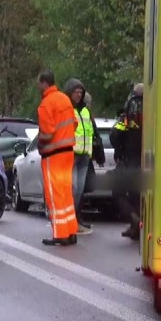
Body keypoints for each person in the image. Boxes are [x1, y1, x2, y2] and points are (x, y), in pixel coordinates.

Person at [35, 69, 79, 246]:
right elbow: (74, 123)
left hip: (53, 155)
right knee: (66, 193)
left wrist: (40, 143)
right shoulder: (64, 99)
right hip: (68, 153)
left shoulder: (46, 104)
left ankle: (60, 234)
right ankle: (71, 231)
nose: (38, 86)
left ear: (44, 83)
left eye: (39, 83)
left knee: (54, 195)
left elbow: (47, 132)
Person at [63, 79, 105, 235]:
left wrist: (93, 151)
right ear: (70, 92)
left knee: (79, 190)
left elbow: (91, 132)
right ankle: (69, 221)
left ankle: (74, 220)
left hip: (84, 156)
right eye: (76, 92)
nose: (79, 95)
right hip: (72, 154)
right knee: (72, 189)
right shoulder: (67, 109)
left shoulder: (86, 111)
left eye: (81, 92)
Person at [110, 84, 144, 240]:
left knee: (118, 192)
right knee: (137, 196)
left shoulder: (128, 115)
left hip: (128, 160)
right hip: (146, 161)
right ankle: (136, 227)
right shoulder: (155, 111)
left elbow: (115, 135)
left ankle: (134, 219)